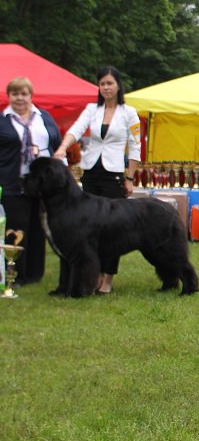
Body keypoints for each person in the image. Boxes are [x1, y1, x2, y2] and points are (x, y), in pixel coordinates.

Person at [53, 67, 141, 295]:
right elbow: (76, 129)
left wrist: (129, 177)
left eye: (110, 83)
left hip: (113, 174)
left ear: (118, 85)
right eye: (102, 84)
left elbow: (135, 146)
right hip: (91, 172)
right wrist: (63, 148)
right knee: (88, 228)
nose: (106, 88)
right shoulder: (91, 109)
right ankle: (90, 274)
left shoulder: (129, 113)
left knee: (113, 228)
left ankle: (107, 278)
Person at [0, 77, 63, 287]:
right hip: (14, 182)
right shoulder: (3, 120)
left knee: (38, 227)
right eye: (15, 94)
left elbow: (56, 142)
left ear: (31, 96)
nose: (20, 98)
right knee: (18, 227)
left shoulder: (43, 117)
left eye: (24, 94)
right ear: (8, 97)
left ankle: (35, 273)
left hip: (42, 184)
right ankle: (16, 273)